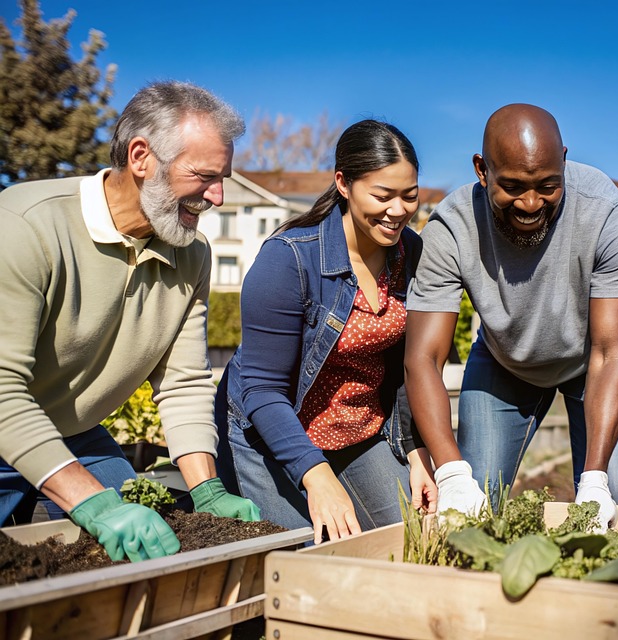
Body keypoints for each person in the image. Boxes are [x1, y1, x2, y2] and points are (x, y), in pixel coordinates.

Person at [0, 81, 260, 563]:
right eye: (204, 175)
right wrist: (94, 502)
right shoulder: (24, 225)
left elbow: (183, 381)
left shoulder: (192, 254)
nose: (219, 196)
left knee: (149, 548)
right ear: (141, 158)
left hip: (75, 433)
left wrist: (206, 491)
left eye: (222, 177)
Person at [405, 104, 618, 531]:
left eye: (548, 186)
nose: (531, 204)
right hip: (506, 358)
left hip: (597, 357)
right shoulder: (452, 227)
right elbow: (423, 359)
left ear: (564, 162)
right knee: (473, 497)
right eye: (513, 186)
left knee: (614, 490)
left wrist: (593, 481)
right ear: (482, 170)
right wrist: (451, 474)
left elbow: (610, 353)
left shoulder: (609, 213)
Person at [215, 120, 432, 545]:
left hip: (357, 429)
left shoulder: (410, 252)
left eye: (409, 195)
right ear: (343, 184)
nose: (398, 210)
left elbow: (406, 366)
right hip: (273, 433)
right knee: (311, 553)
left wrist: (416, 449)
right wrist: (317, 476)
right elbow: (261, 389)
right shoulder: (289, 259)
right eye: (382, 196)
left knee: (411, 539)